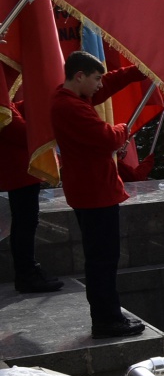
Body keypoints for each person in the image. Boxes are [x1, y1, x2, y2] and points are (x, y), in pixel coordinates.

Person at [50, 50, 145, 337]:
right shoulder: (70, 107)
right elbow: (107, 139)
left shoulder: (72, 97)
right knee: (102, 260)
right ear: (79, 77)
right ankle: (106, 320)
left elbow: (111, 82)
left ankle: (108, 316)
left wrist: (139, 70)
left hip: (92, 192)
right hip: (95, 195)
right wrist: (122, 130)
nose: (99, 85)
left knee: (102, 259)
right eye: (95, 79)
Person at [0, 102, 63, 293]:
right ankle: (27, 274)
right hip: (19, 174)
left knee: (25, 222)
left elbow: (14, 110)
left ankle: (28, 271)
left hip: (21, 173)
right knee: (25, 223)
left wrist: (36, 100)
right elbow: (21, 131)